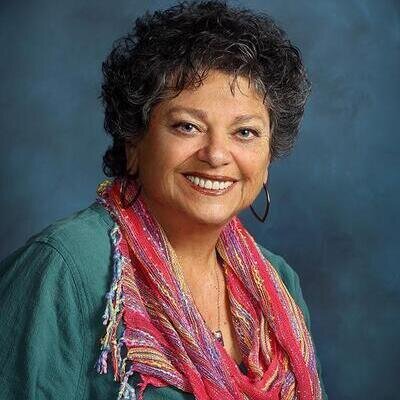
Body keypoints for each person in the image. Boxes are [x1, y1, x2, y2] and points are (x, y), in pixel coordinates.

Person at [0, 1, 328, 399]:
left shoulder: (279, 282)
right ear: (134, 143)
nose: (216, 155)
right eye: (187, 126)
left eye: (245, 132)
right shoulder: (65, 268)